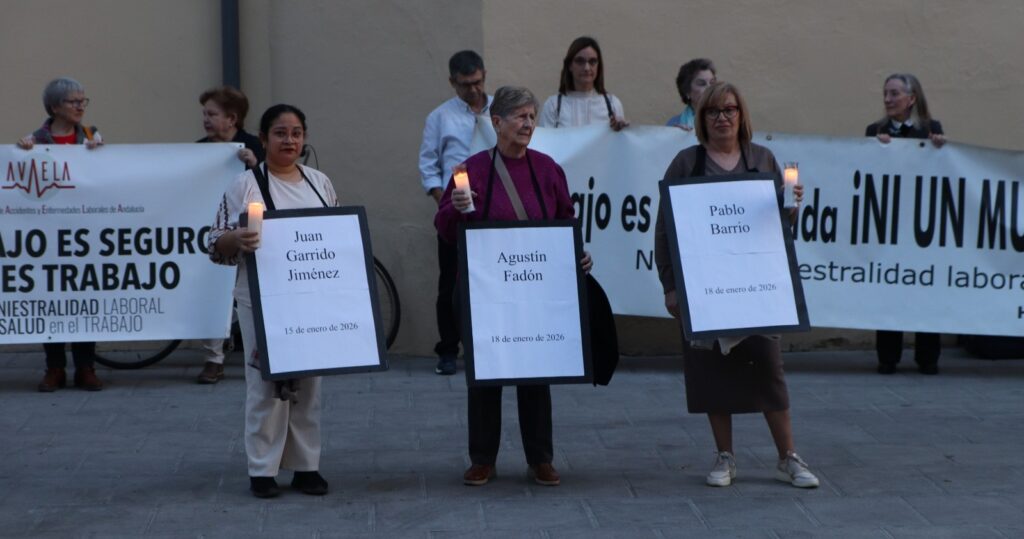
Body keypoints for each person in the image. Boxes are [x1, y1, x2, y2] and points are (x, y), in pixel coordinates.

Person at [653, 82, 818, 489]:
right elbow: (664, 231)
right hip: (704, 289)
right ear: (702, 119)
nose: (722, 117)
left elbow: (780, 229)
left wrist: (791, 209)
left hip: (756, 289)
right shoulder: (685, 164)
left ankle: (787, 457)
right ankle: (725, 456)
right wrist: (670, 286)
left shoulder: (762, 159)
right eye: (713, 111)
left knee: (768, 369)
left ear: (741, 115)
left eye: (729, 110)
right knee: (712, 372)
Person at [435, 86, 592, 487]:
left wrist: (577, 254)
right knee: (485, 369)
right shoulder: (468, 170)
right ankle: (482, 458)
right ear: (497, 122)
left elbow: (565, 221)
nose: (527, 124)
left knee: (535, 370)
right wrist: (455, 209)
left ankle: (540, 458)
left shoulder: (547, 169)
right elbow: (446, 232)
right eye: (520, 117)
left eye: (531, 117)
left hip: (534, 290)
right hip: (482, 290)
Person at [208, 104, 333, 498]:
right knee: (266, 383)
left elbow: (333, 235)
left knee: (309, 383)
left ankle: (306, 466)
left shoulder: (320, 183)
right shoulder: (245, 186)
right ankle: (262, 469)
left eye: (296, 133)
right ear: (262, 140)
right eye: (280, 133)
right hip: (260, 298)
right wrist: (236, 240)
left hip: (311, 298)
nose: (289, 140)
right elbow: (214, 241)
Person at [17, 77, 104, 392]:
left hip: (84, 234)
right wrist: (23, 152)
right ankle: (54, 367)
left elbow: (108, 176)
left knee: (83, 298)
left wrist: (99, 153)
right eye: (73, 101)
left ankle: (86, 367)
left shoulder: (93, 136)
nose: (81, 106)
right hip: (48, 235)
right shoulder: (35, 140)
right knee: (50, 300)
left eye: (83, 100)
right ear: (54, 107)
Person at [418, 50, 493, 376]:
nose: (473, 90)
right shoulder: (440, 117)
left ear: (484, 76)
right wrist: (443, 201)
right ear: (452, 83)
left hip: (494, 209)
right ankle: (448, 350)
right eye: (465, 85)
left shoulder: (500, 110)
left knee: (492, 279)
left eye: (477, 83)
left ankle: (491, 345)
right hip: (456, 209)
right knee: (450, 282)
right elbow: (428, 162)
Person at [865, 73, 944, 375]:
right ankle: (888, 357)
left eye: (894, 93)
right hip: (889, 225)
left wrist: (940, 147)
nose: (887, 99)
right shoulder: (876, 131)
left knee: (924, 286)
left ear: (911, 99)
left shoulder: (930, 130)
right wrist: (877, 147)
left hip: (922, 225)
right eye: (885, 93)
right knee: (889, 287)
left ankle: (928, 358)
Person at [195, 86, 265, 384]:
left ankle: (261, 353)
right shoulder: (198, 150)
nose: (206, 120)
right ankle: (214, 358)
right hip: (212, 231)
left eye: (212, 114)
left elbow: (270, 185)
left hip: (250, 235)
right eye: (205, 114)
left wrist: (254, 164)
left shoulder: (254, 147)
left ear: (231, 118)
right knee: (211, 292)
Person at [539, 36, 628, 130]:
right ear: (570, 66)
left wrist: (620, 130)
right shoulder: (553, 105)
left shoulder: (612, 104)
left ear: (598, 66)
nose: (587, 68)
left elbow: (618, 143)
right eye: (580, 61)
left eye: (592, 62)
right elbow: (544, 144)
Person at [666, 58, 716, 130]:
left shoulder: (728, 119)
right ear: (687, 92)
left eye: (712, 83)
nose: (709, 88)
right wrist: (677, 136)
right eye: (702, 84)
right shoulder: (674, 124)